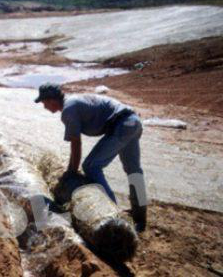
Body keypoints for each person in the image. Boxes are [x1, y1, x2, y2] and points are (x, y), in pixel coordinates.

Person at [35, 83, 147, 232]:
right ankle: (140, 215)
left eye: (44, 103)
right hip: (132, 121)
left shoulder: (68, 110)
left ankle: (114, 215)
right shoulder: (73, 101)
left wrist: (71, 172)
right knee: (134, 170)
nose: (44, 107)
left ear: (52, 100)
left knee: (91, 166)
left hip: (121, 125)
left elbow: (76, 144)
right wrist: (71, 170)